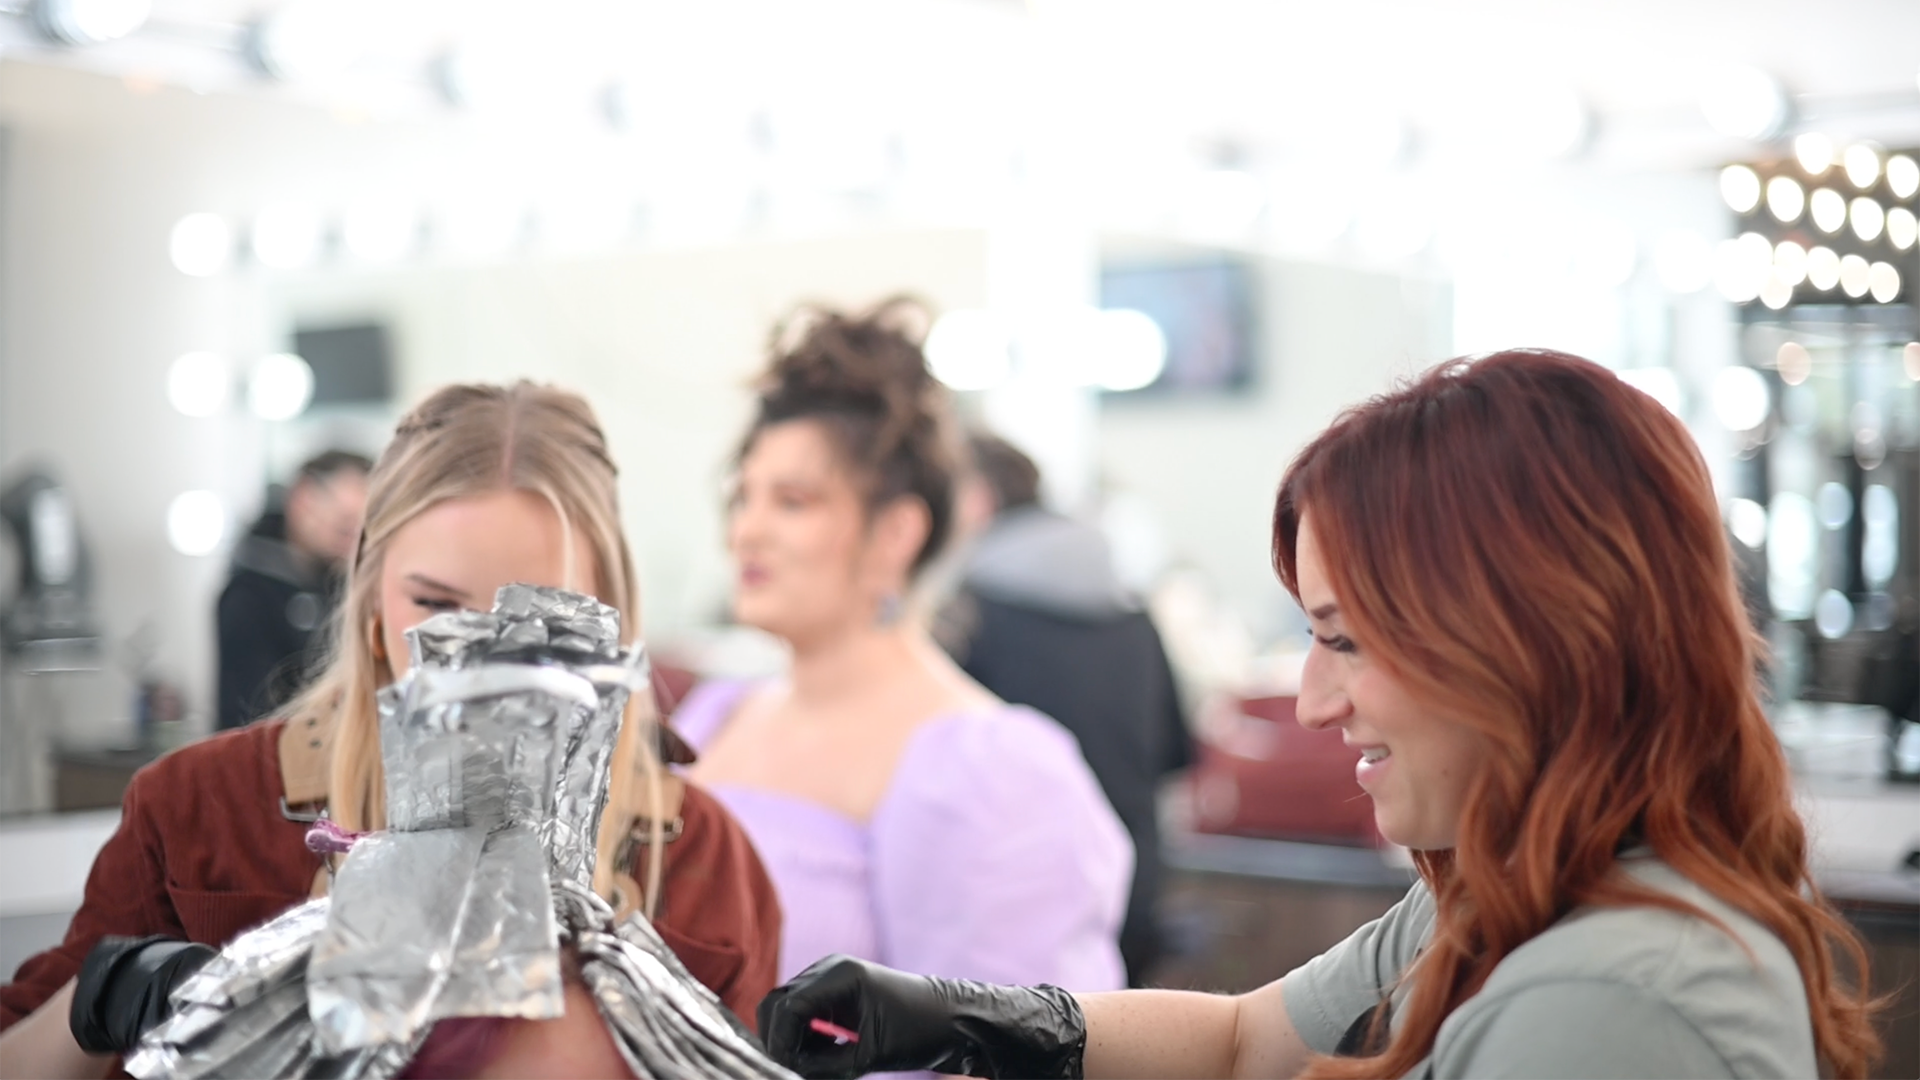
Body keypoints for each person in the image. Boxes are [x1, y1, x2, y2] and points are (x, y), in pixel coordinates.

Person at [754, 350, 1884, 1080]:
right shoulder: (1505, 895)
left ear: (1525, 640)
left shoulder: (1607, 998)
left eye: (1345, 640)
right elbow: (1243, 1042)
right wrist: (973, 1017)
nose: (1310, 700)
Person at [0, 382, 783, 1080]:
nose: (474, 660)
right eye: (435, 606)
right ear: (374, 603)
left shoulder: (698, 858)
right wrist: (97, 1001)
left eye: (535, 616)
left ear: (607, 623)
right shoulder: (200, 812)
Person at [679, 299, 1133, 994]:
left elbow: (1011, 1037)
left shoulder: (988, 773)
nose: (746, 532)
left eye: (793, 502)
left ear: (896, 533)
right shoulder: (712, 719)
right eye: (744, 499)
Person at [941, 433, 1190, 984]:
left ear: (977, 501)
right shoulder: (1132, 612)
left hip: (1015, 922)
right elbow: (1176, 753)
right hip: (1133, 893)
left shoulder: (966, 618)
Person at [215, 449, 372, 730]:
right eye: (344, 525)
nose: (351, 544)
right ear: (303, 500)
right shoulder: (251, 594)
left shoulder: (346, 586)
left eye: (361, 532)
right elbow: (248, 715)